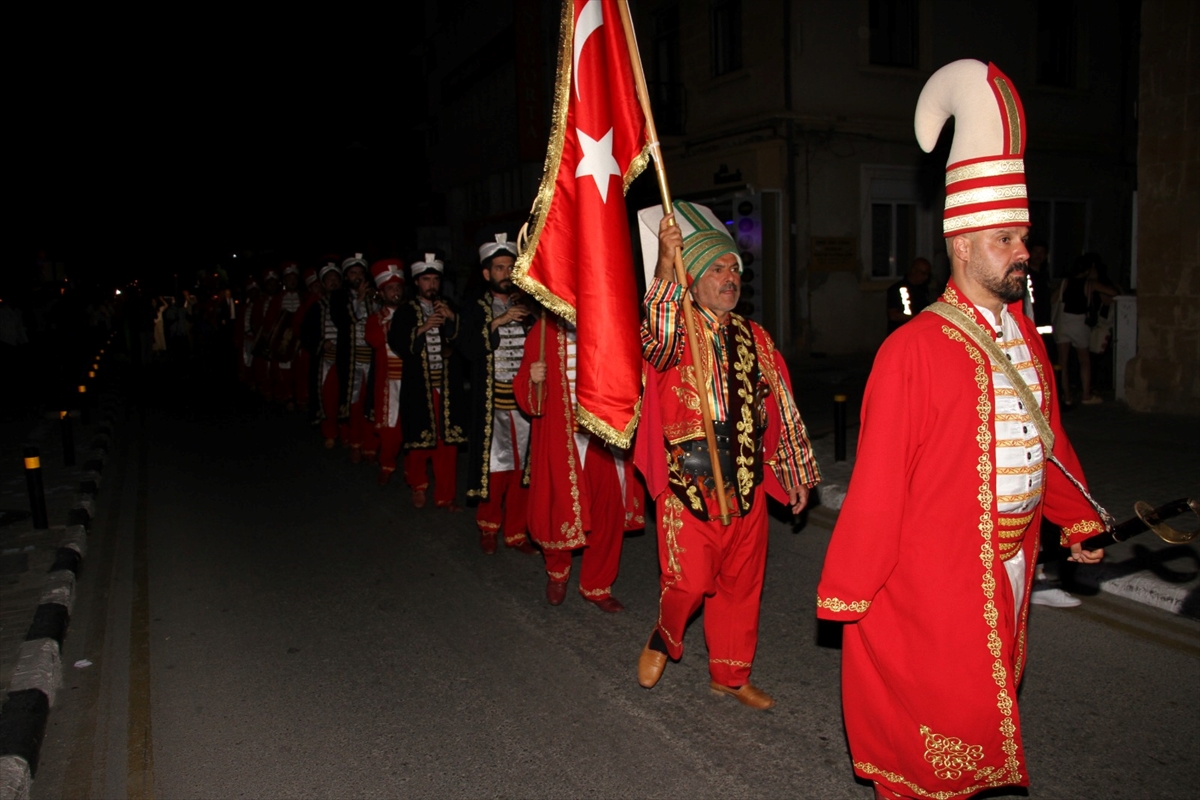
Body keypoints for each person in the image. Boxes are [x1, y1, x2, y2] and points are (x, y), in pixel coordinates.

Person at [816, 60, 1106, 800]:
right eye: (1006, 238)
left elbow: (1047, 440)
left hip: (1012, 564)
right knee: (933, 731)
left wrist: (1076, 517)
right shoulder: (911, 349)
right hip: (934, 578)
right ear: (963, 242)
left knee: (988, 705)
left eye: (1024, 237)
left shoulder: (1027, 335)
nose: (1023, 252)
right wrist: (850, 590)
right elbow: (878, 484)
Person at [633, 200, 821, 709]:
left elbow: (780, 407)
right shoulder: (673, 331)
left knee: (741, 585)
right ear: (692, 279)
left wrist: (795, 472)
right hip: (687, 483)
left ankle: (730, 675)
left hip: (745, 481)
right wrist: (666, 265)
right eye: (716, 268)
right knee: (690, 582)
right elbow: (657, 340)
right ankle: (665, 634)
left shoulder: (755, 337)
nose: (730, 277)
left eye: (734, 268)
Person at [513, 312, 643, 609]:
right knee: (558, 507)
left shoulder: (611, 321)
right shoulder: (543, 331)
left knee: (608, 508)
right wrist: (532, 379)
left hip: (603, 435)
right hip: (562, 436)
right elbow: (526, 390)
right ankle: (557, 571)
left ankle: (597, 584)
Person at [461, 234, 538, 555]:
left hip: (525, 402)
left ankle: (517, 532)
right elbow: (467, 348)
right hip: (491, 403)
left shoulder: (530, 305)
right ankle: (488, 525)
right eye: (499, 268)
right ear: (486, 273)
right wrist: (499, 321)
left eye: (510, 267)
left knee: (523, 470)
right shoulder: (474, 307)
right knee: (495, 467)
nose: (506, 273)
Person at [389, 253, 466, 510]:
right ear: (416, 282)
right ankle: (418, 485)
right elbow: (397, 341)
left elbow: (466, 340)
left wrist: (452, 319)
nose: (431, 285)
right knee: (419, 439)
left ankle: (446, 494)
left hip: (446, 386)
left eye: (435, 280)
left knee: (447, 443)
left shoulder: (449, 306)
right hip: (419, 386)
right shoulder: (406, 311)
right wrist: (422, 328)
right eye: (426, 280)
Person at [330, 253, 380, 464]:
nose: (357, 276)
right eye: (353, 273)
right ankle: (355, 443)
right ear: (346, 276)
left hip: (372, 359)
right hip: (351, 360)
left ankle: (371, 445)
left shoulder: (373, 295)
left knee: (373, 402)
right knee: (354, 403)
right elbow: (342, 320)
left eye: (361, 273)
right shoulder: (338, 297)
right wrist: (358, 300)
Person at [1054, 253, 1117, 406]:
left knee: (1063, 361)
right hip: (1079, 323)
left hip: (1063, 322)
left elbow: (1053, 299)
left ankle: (1066, 396)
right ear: (1088, 270)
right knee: (1084, 360)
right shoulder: (1090, 284)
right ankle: (1086, 395)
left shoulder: (1064, 282)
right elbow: (1113, 292)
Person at [365, 258, 406, 485]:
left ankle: (413, 472)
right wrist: (390, 326)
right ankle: (387, 464)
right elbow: (373, 340)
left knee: (413, 424)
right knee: (390, 427)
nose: (395, 292)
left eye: (398, 287)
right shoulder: (376, 318)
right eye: (391, 288)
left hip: (411, 378)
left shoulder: (411, 313)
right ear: (382, 292)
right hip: (389, 380)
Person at [300, 262, 345, 447]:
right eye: (329, 279)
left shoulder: (350, 306)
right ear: (323, 283)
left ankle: (346, 432)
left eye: (336, 279)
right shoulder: (316, 308)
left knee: (347, 397)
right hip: (325, 361)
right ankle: (330, 432)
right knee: (327, 398)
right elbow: (305, 335)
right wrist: (321, 344)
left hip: (345, 360)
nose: (333, 282)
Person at [885, 257, 934, 334]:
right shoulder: (896, 289)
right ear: (914, 270)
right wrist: (919, 317)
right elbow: (893, 316)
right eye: (923, 273)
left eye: (928, 274)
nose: (926, 277)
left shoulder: (923, 289)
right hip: (901, 333)